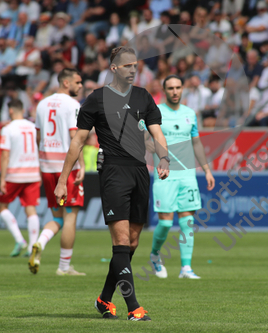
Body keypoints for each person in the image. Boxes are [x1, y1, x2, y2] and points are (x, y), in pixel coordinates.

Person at [54, 46, 170, 321]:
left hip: (140, 172)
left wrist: (164, 158)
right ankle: (134, 308)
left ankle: (104, 299)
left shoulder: (143, 97)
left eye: (135, 66)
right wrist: (62, 180)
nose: (133, 70)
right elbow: (78, 142)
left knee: (131, 243)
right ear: (114, 68)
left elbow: (157, 132)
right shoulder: (96, 100)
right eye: (127, 65)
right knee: (120, 241)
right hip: (113, 173)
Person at [148, 75, 215, 279]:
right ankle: (155, 255)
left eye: (178, 87)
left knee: (187, 222)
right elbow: (147, 140)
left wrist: (207, 169)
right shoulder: (156, 112)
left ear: (182, 89)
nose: (175, 91)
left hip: (188, 174)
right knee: (166, 223)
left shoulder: (190, 114)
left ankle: (186, 268)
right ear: (164, 90)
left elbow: (196, 143)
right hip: (165, 175)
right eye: (170, 88)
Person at [28, 68, 86, 276]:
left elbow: (37, 136)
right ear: (66, 83)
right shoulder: (72, 105)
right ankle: (64, 267)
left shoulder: (42, 104)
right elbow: (75, 136)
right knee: (70, 216)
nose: (81, 86)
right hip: (66, 168)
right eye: (78, 83)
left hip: (47, 166)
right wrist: (81, 164)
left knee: (58, 217)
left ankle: (40, 243)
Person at [0, 99, 41, 257]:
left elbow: (5, 155)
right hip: (33, 172)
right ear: (23, 110)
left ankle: (19, 240)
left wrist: (2, 178)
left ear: (10, 111)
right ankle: (32, 246)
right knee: (31, 209)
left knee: (1, 207)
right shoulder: (32, 126)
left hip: (14, 174)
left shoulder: (8, 129)